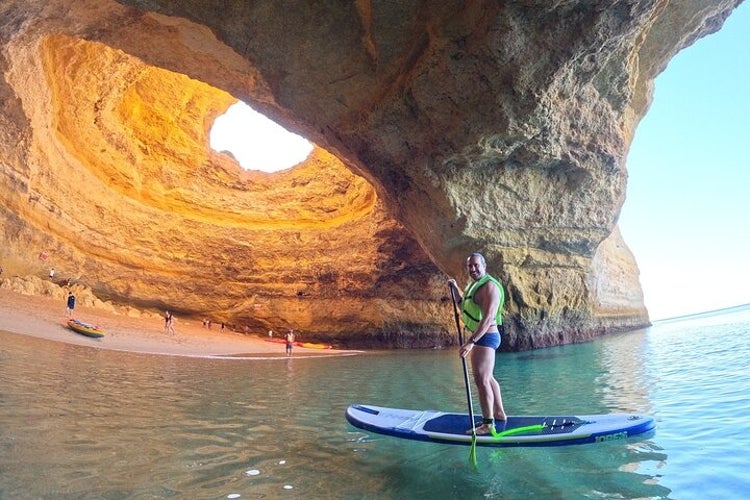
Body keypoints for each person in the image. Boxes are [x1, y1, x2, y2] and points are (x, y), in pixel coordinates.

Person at [448, 252, 507, 436]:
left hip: (485, 337)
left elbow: (489, 318)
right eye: (470, 266)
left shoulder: (490, 287)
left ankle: (488, 424)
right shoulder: (474, 285)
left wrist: (471, 342)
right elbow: (462, 305)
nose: (473, 269)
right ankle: (499, 413)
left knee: (481, 380)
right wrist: (455, 288)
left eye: (476, 265)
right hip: (481, 338)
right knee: (488, 378)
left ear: (484, 265)